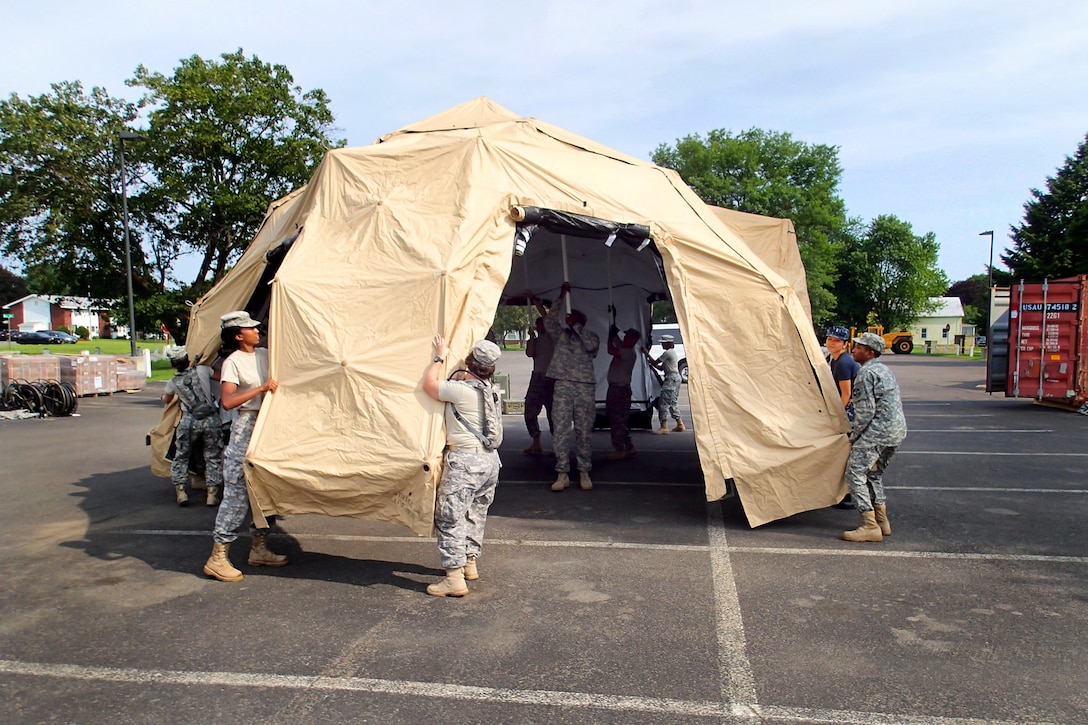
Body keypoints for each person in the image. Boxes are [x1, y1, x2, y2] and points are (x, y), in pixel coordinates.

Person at [202, 311, 288, 582]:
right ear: (239, 335)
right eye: (250, 328)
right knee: (238, 492)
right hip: (246, 426)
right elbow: (228, 401)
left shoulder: (264, 354)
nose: (256, 330)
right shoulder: (233, 362)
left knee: (267, 490)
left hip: (267, 426)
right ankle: (218, 557)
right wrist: (261, 389)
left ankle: (259, 548)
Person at [422, 335, 503, 597]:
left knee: (450, 517)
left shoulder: (461, 390)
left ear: (468, 363)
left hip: (465, 463)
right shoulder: (491, 390)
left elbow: (430, 386)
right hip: (490, 462)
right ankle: (470, 563)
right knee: (475, 514)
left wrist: (439, 356)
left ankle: (454, 578)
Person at [841, 332, 907, 542]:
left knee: (854, 473)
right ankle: (882, 522)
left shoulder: (865, 373)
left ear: (870, 353)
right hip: (896, 431)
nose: (854, 349)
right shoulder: (884, 370)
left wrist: (854, 437)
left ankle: (869, 525)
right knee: (873, 475)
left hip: (876, 432)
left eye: (859, 347)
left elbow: (865, 412)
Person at [544, 282, 600, 491]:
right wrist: (560, 298)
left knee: (584, 431)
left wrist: (577, 326)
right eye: (570, 318)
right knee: (560, 429)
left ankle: (584, 471)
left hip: (584, 387)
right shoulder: (561, 336)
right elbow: (549, 321)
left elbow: (591, 346)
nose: (571, 320)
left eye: (575, 318)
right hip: (563, 385)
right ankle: (562, 473)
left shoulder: (590, 336)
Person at [162, 345, 224, 507]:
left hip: (189, 421)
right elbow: (220, 377)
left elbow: (167, 400)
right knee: (212, 456)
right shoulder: (203, 370)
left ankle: (181, 491)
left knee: (181, 456)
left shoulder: (173, 382)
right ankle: (212, 494)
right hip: (210, 420)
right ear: (187, 359)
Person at [825, 325, 861, 509]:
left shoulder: (844, 363)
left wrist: (838, 418)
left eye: (837, 340)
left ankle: (845, 495)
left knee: (843, 452)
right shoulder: (832, 359)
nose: (832, 343)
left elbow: (846, 394)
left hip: (852, 411)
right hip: (845, 408)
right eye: (830, 339)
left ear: (845, 344)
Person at [605, 324, 641, 460]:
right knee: (620, 419)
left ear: (632, 340)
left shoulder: (628, 352)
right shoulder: (625, 348)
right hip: (618, 388)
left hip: (619, 389)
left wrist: (610, 336)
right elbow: (617, 342)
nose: (624, 337)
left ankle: (619, 449)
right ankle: (629, 445)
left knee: (616, 419)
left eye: (627, 336)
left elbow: (610, 349)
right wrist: (613, 333)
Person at [522, 310, 555, 455]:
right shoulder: (535, 340)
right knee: (530, 409)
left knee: (553, 413)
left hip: (551, 377)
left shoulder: (553, 337)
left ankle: (557, 444)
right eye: (538, 325)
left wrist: (536, 302)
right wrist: (531, 338)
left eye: (542, 324)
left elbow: (549, 317)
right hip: (537, 377)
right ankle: (536, 441)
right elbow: (529, 353)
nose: (540, 327)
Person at [645, 334, 686, 434]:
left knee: (663, 403)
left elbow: (655, 362)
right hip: (675, 378)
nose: (662, 345)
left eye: (663, 343)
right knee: (672, 402)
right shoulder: (672, 353)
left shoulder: (667, 353)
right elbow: (660, 367)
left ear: (668, 344)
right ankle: (680, 424)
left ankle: (664, 427)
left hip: (671, 379)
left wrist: (646, 353)